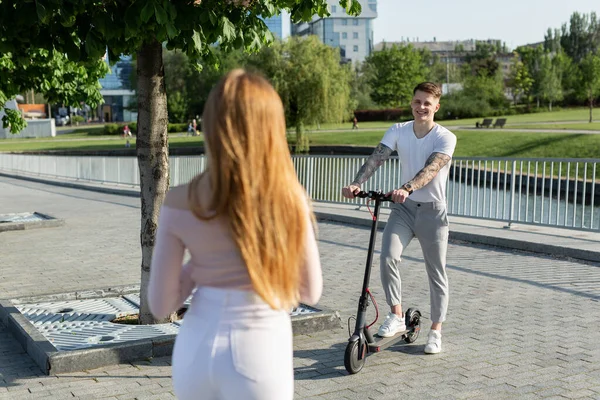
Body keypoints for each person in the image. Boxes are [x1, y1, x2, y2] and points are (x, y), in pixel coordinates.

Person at [148, 69, 323, 400]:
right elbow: (310, 291)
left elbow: (161, 304)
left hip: (195, 347)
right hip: (260, 347)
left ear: (212, 126)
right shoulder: (289, 199)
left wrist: (197, 269)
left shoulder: (178, 201)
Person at [342, 82, 456, 355]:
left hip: (432, 211)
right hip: (404, 210)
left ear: (436, 107)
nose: (422, 108)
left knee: (436, 272)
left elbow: (432, 168)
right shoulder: (399, 130)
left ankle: (436, 330)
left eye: (427, 103)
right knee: (388, 256)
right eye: (418, 102)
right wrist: (357, 182)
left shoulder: (445, 137)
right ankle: (396, 315)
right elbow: (377, 157)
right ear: (412, 103)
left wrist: (406, 188)